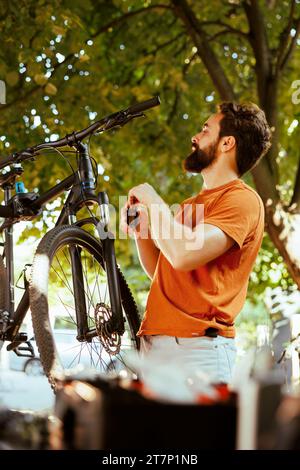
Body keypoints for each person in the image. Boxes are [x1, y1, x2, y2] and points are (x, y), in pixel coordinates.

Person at [121, 102, 271, 384]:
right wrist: (142, 229)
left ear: (227, 143)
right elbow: (163, 272)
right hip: (155, 345)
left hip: (197, 351)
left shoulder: (242, 200)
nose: (196, 137)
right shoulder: (189, 207)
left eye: (205, 129)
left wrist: (152, 199)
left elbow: (185, 253)